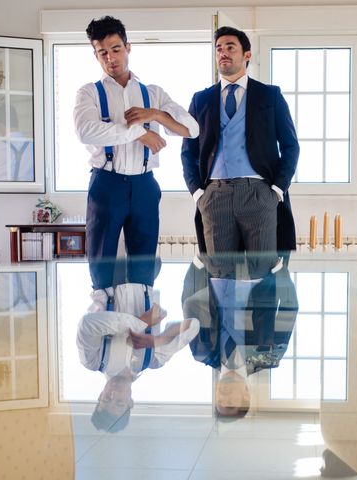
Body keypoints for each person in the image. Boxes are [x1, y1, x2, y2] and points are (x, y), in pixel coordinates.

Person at [74, 16, 199, 291]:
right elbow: (87, 131)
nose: (110, 58)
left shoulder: (153, 93)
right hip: (106, 184)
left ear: (128, 47)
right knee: (101, 266)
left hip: (145, 185)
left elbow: (191, 129)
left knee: (144, 266)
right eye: (102, 52)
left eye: (116, 49)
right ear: (95, 55)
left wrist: (155, 115)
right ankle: (104, 326)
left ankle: (143, 329)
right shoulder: (89, 93)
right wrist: (139, 132)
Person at [181, 26, 299, 255]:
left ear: (247, 55)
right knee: (219, 277)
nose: (223, 52)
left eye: (230, 47)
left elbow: (291, 146)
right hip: (214, 196)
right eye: (218, 49)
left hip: (259, 193)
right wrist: (197, 193)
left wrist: (276, 190)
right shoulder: (201, 99)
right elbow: (188, 151)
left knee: (262, 276)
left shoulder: (270, 95)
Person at [182, 252, 298, 419]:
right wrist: (279, 270)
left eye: (219, 401)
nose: (223, 396)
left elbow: (189, 305)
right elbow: (289, 311)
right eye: (229, 402)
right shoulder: (268, 357)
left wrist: (197, 266)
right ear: (246, 396)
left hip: (216, 268)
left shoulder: (201, 352)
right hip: (260, 271)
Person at [77, 281, 199, 432]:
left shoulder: (93, 361)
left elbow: (87, 325)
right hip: (144, 279)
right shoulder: (153, 360)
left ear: (100, 395)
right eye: (120, 402)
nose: (114, 393)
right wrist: (157, 340)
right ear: (131, 403)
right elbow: (193, 325)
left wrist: (141, 323)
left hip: (106, 277)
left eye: (107, 399)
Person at [0, 103, 34, 181]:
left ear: (1, 125)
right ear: (17, 121)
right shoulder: (33, 146)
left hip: (1, 192)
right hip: (28, 192)